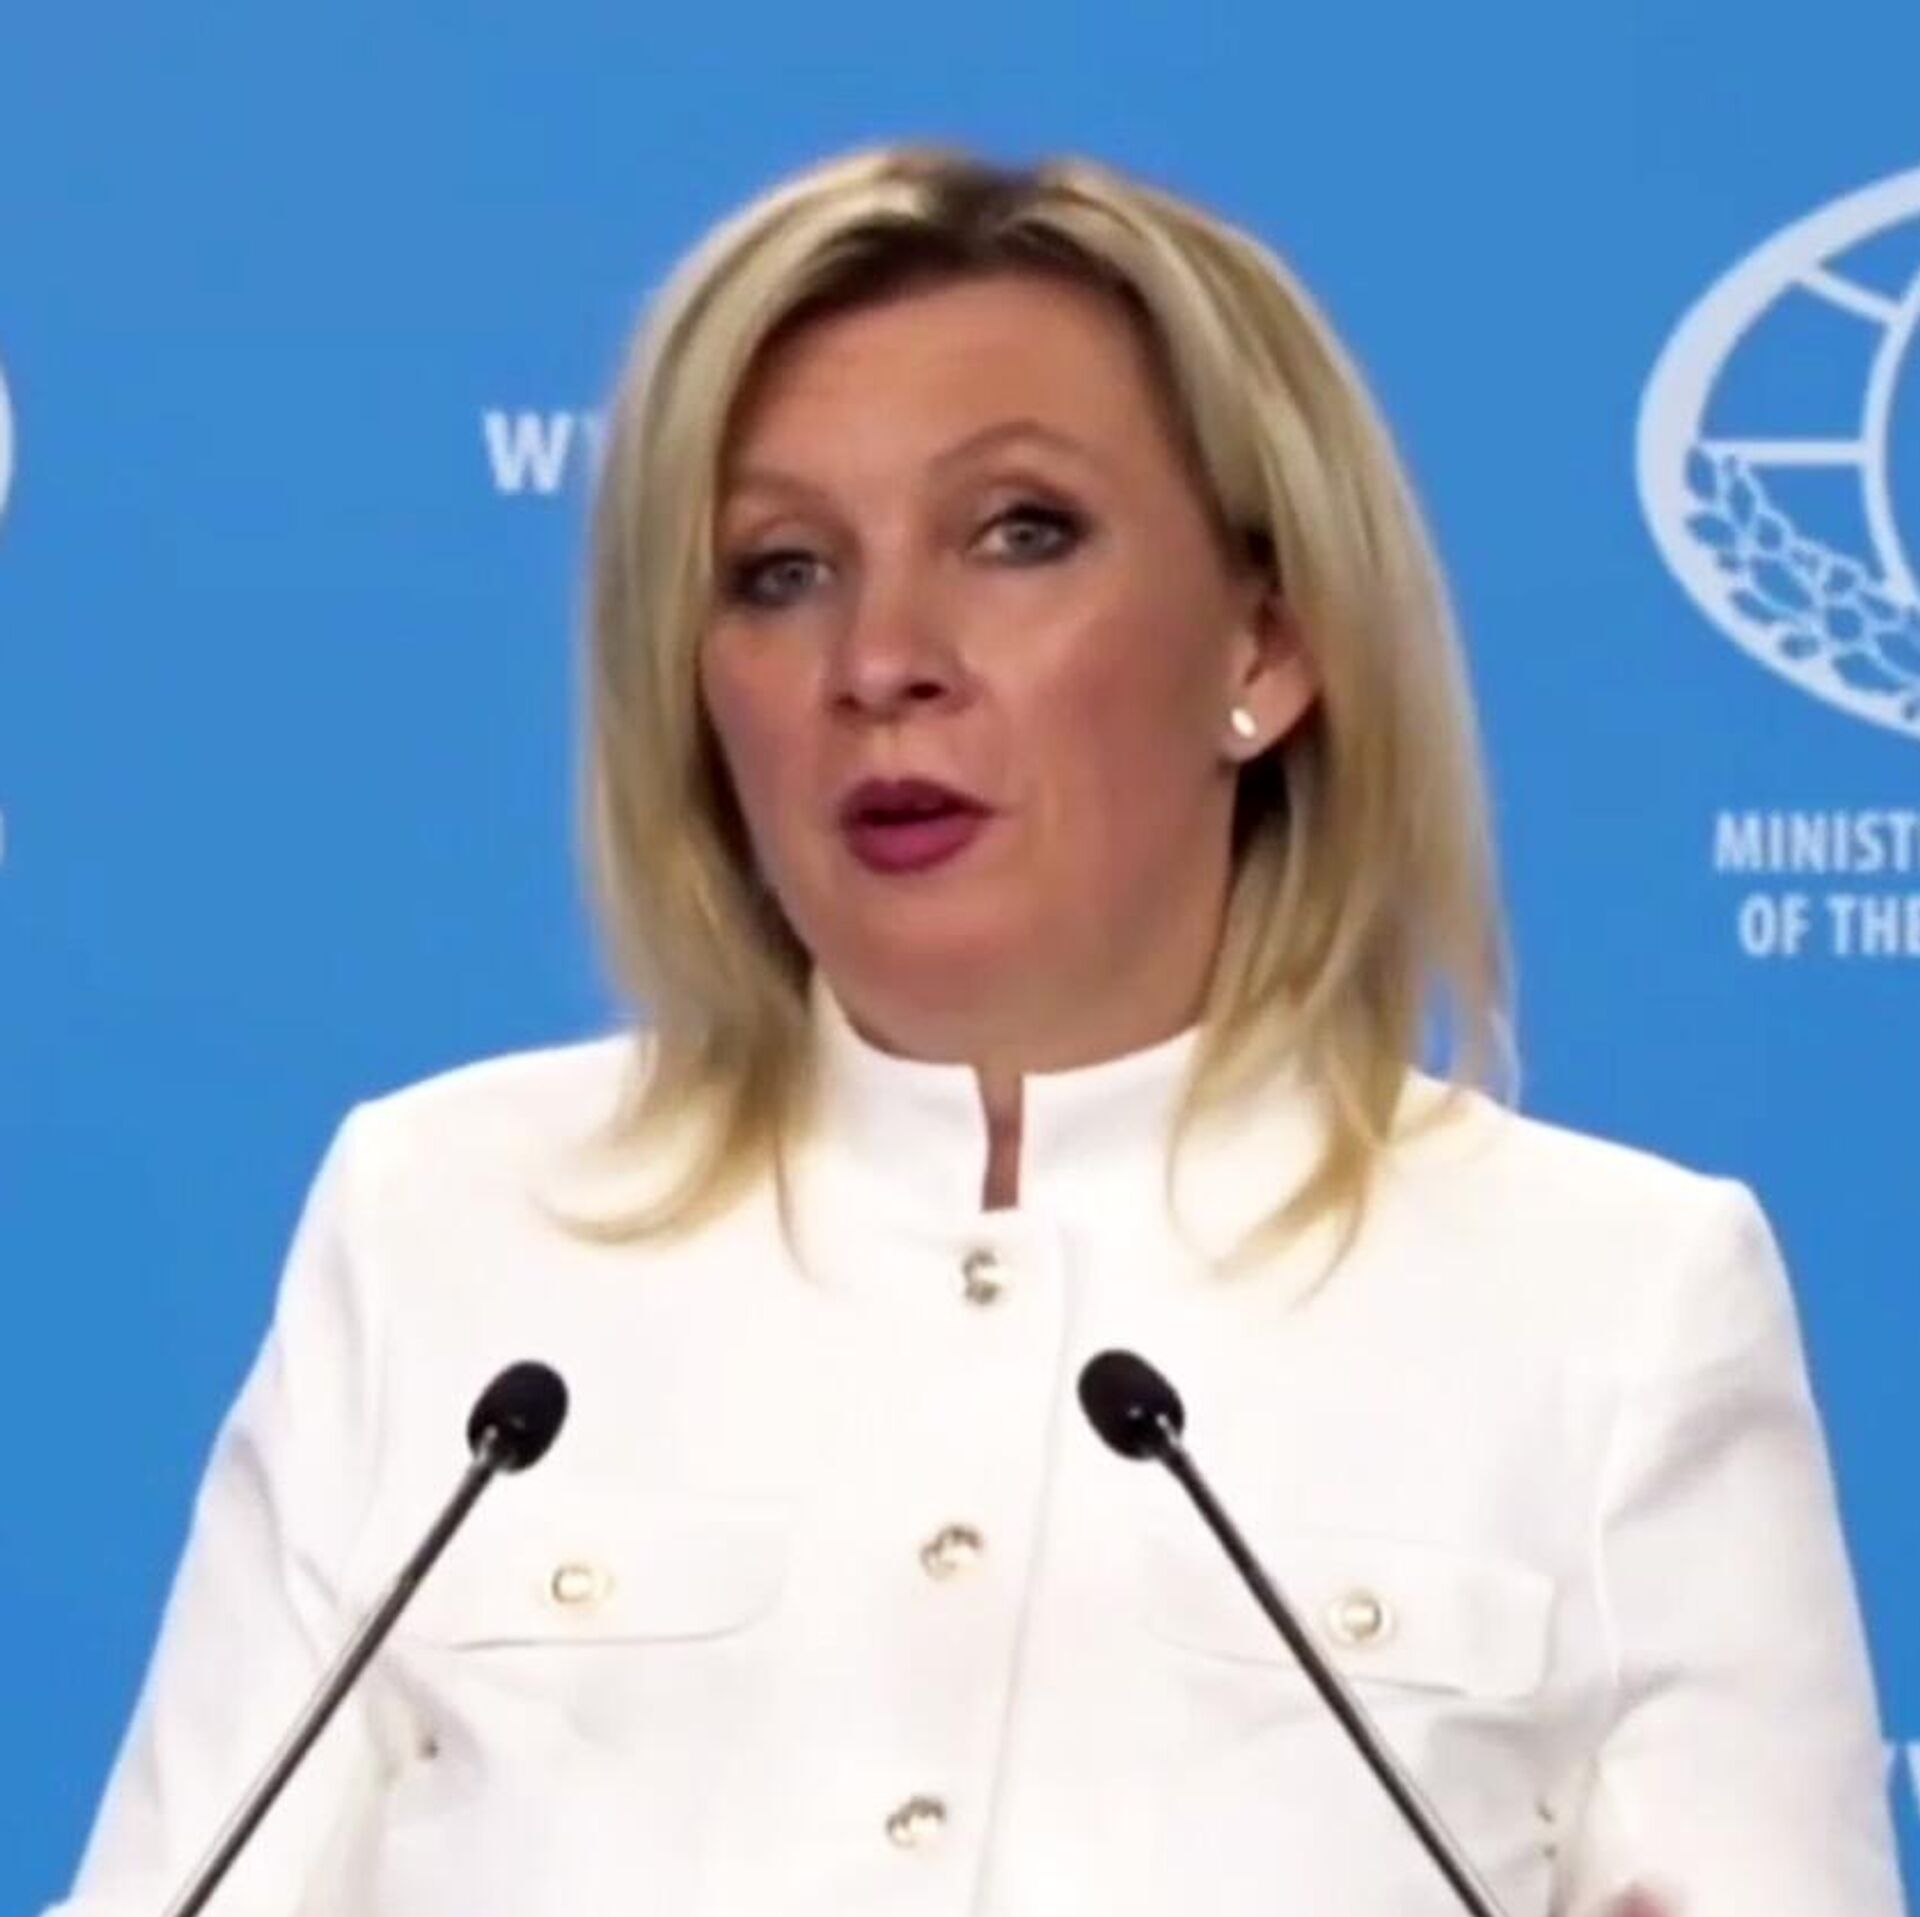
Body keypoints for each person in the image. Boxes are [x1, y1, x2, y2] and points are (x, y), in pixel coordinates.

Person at [48, 144, 1902, 1916]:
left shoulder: (1613, 1302)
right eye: (781, 569)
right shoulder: (450, 1222)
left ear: (1264, 646)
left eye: (1020, 534)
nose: (880, 660)